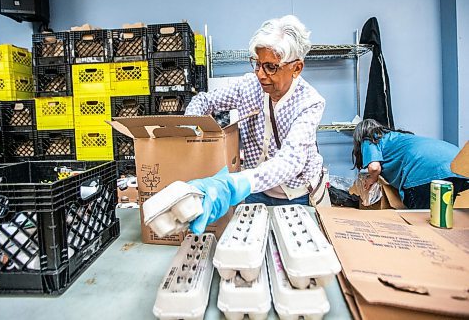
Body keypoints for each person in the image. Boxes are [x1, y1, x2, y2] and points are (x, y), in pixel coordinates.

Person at [185, 15, 326, 234]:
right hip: (254, 191)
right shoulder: (249, 87)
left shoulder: (309, 103)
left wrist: (234, 184)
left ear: (296, 68)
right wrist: (192, 132)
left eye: (271, 67)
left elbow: (291, 162)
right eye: (257, 64)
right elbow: (203, 100)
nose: (260, 74)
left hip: (294, 195)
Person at [352, 118, 469, 209]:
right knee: (442, 216)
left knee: (422, 222)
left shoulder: (370, 138)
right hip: (457, 163)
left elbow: (374, 168)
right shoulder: (398, 136)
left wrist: (372, 179)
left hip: (425, 172)